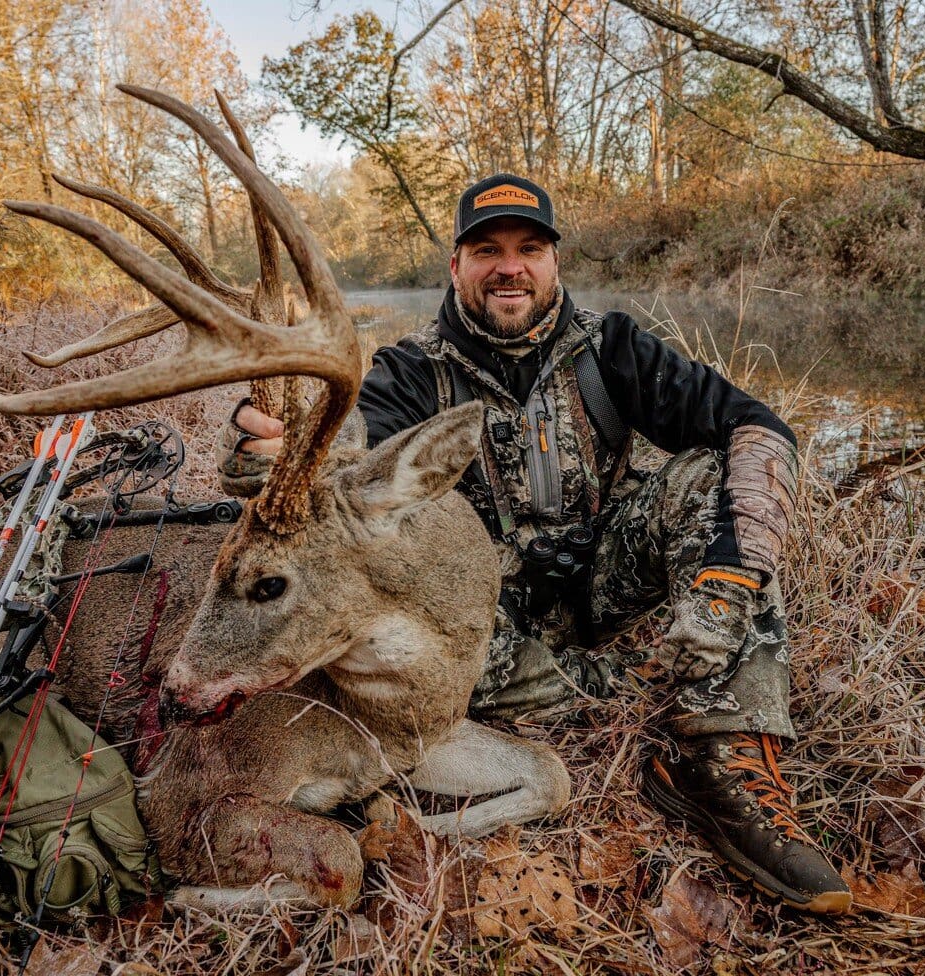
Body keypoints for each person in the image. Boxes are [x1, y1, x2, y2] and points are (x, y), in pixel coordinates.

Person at [218, 173, 852, 914]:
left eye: (529, 248)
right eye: (486, 249)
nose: (509, 267)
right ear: (455, 267)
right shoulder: (409, 372)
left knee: (716, 471)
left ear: (554, 263)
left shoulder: (613, 348)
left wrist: (726, 581)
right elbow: (339, 463)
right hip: (477, 628)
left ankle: (723, 766)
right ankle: (608, 685)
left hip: (600, 581)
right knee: (420, 650)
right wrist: (267, 455)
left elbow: (757, 427)